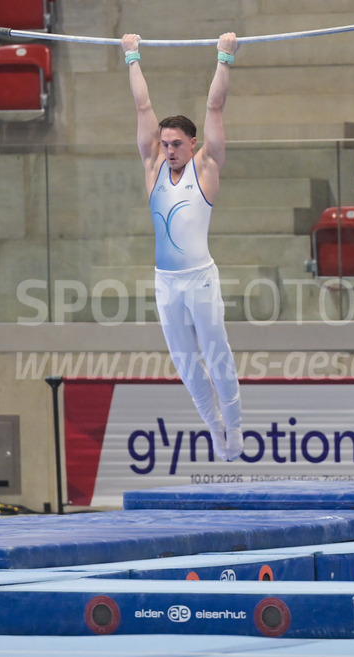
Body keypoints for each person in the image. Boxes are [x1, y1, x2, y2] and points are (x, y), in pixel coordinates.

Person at [122, 31, 244, 461]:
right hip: (166, 282)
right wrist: (132, 56)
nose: (169, 150)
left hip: (200, 279)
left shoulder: (206, 166)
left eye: (177, 144)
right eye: (165, 143)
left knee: (216, 353)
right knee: (186, 363)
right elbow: (143, 107)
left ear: (193, 144)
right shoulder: (153, 165)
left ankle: (234, 425)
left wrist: (224, 57)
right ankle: (214, 428)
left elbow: (215, 107)